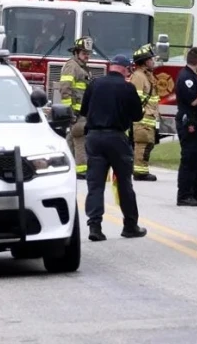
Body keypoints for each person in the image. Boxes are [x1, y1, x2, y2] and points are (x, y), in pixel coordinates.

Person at [80, 54, 147, 241]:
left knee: (95, 184)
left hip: (94, 137)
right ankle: (130, 225)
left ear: (112, 67)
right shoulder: (127, 88)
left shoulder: (94, 84)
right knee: (124, 183)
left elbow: (84, 110)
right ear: (126, 69)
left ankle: (94, 226)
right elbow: (137, 116)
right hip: (116, 138)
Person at [175, 47, 197, 207]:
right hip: (190, 122)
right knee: (189, 159)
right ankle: (184, 194)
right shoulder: (186, 78)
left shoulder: (194, 76)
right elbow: (193, 101)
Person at [59, 36, 93, 180]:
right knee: (79, 137)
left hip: (82, 112)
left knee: (70, 138)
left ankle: (63, 165)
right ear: (76, 53)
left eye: (88, 54)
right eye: (84, 53)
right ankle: (81, 170)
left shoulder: (81, 68)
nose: (87, 56)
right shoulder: (72, 66)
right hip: (76, 112)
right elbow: (65, 89)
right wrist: (70, 112)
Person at [129, 43, 159, 182]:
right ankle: (140, 172)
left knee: (147, 144)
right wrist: (140, 115)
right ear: (145, 62)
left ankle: (142, 169)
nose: (153, 62)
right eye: (151, 59)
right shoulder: (139, 77)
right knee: (142, 144)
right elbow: (135, 99)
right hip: (142, 119)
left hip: (148, 117)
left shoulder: (147, 76)